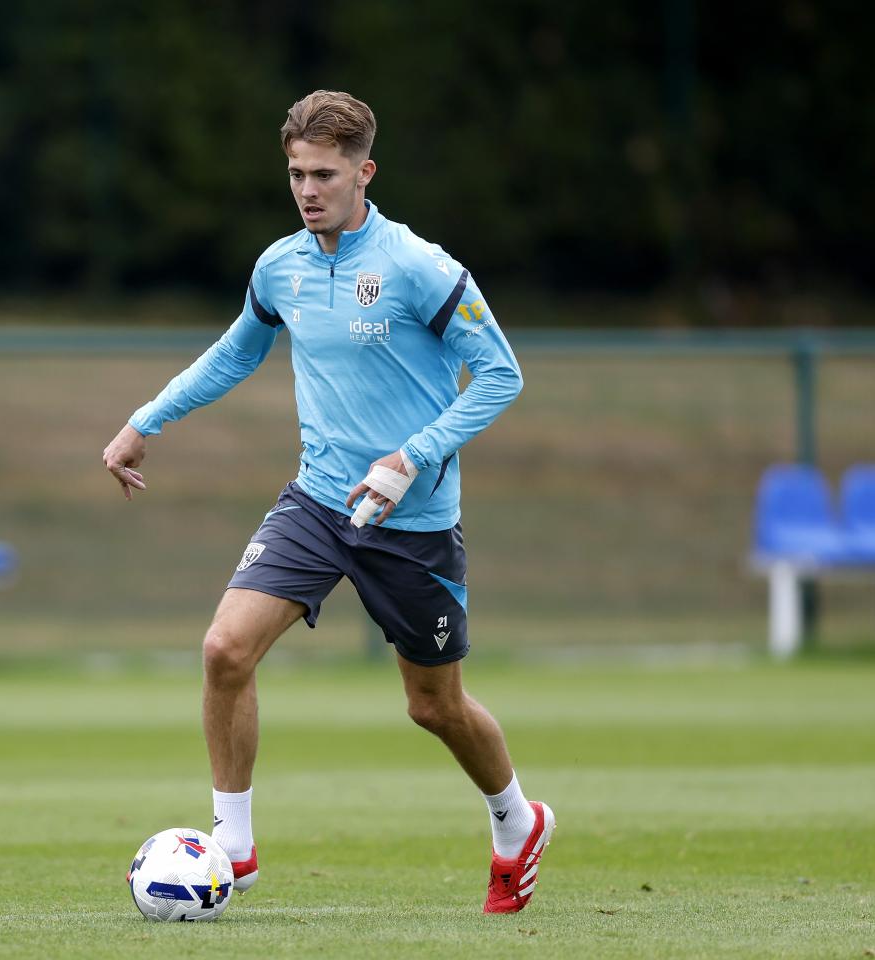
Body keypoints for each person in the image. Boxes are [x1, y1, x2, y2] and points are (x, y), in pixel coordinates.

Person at [104, 91, 552, 913]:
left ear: (364, 173)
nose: (308, 190)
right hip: (316, 503)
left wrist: (410, 458)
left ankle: (515, 821)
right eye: (296, 174)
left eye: (324, 174)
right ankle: (232, 848)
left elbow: (501, 375)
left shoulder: (418, 266)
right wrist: (145, 421)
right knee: (224, 652)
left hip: (412, 523)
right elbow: (236, 352)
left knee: (434, 707)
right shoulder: (282, 266)